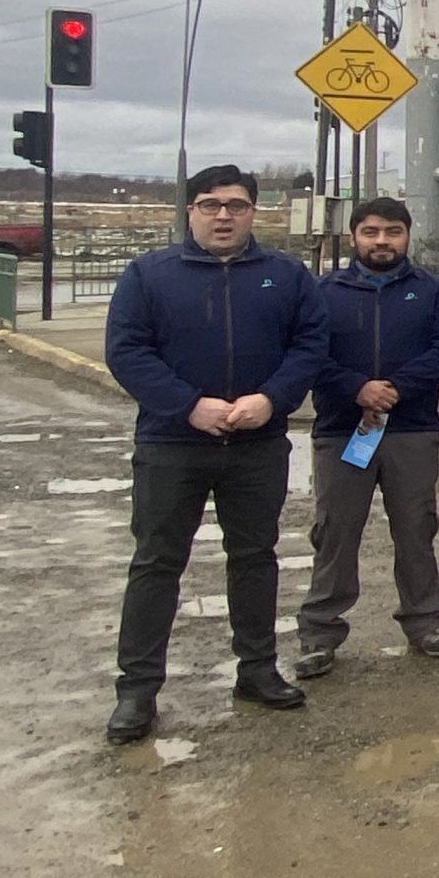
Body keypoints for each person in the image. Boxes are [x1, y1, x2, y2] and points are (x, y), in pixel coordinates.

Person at [101, 165, 329, 743]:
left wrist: (271, 399)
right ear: (189, 212)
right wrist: (188, 406)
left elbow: (310, 345)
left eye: (235, 204)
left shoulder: (285, 275)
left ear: (254, 211)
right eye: (209, 204)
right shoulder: (150, 274)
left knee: (254, 559)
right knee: (156, 564)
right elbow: (127, 351)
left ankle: (256, 670)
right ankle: (138, 691)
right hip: (171, 444)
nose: (222, 215)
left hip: (256, 445)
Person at [295, 196, 439, 678]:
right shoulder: (322, 291)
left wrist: (396, 389)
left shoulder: (433, 291)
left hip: (411, 429)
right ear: (354, 236)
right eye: (371, 232)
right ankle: (319, 632)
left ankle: (425, 621)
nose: (382, 241)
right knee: (335, 531)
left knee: (416, 526)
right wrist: (357, 389)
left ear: (407, 236)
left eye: (392, 232)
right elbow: (307, 350)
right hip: (341, 430)